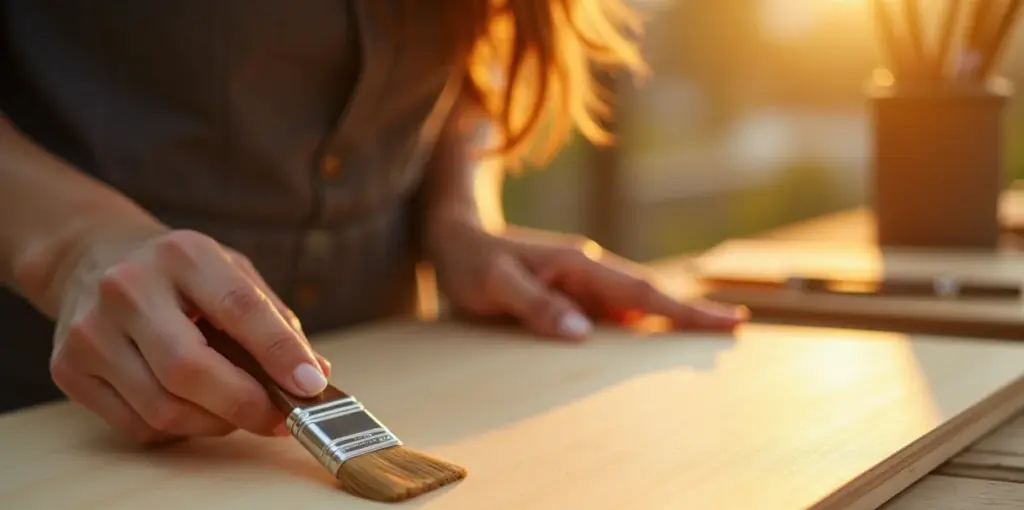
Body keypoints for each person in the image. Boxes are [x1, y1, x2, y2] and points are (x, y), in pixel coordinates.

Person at [0, 0, 746, 443]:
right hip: (49, 430)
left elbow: (471, 55)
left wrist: (459, 217)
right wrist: (72, 247)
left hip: (407, 386)